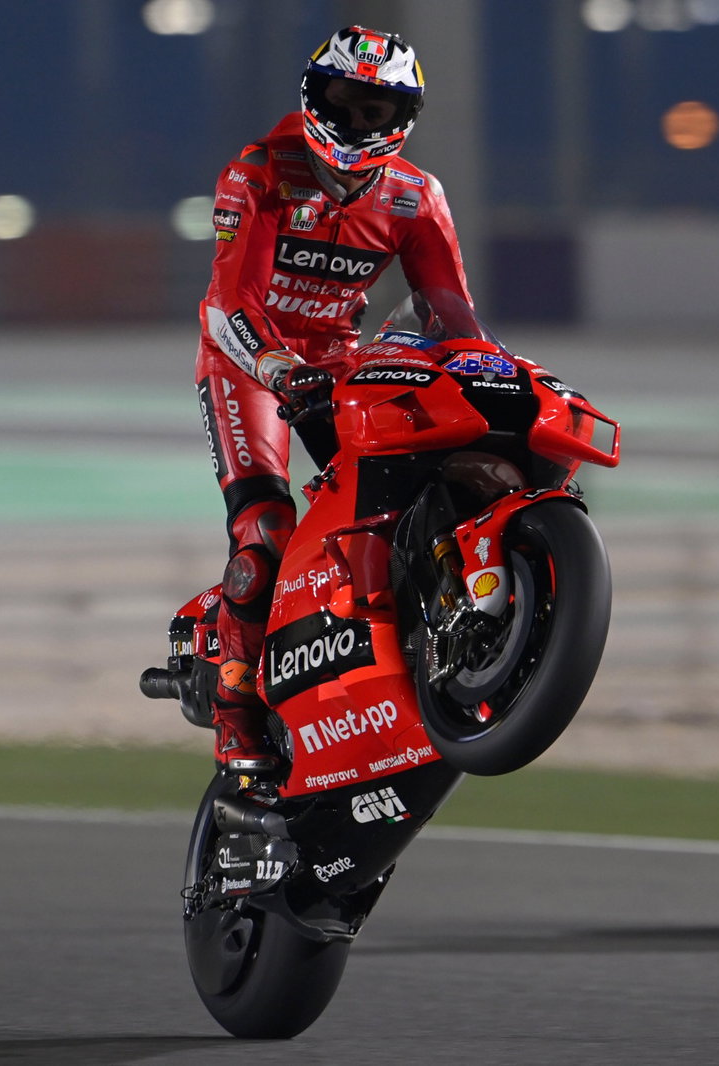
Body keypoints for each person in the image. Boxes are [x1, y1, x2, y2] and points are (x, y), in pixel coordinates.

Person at [194, 25, 472, 775]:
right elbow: (228, 305)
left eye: (376, 110)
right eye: (343, 103)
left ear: (404, 120)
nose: (356, 124)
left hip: (341, 363)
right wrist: (278, 366)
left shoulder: (419, 196)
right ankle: (235, 709)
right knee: (266, 529)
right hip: (247, 362)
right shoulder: (257, 173)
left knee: (407, 495)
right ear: (313, 98)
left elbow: (453, 316)